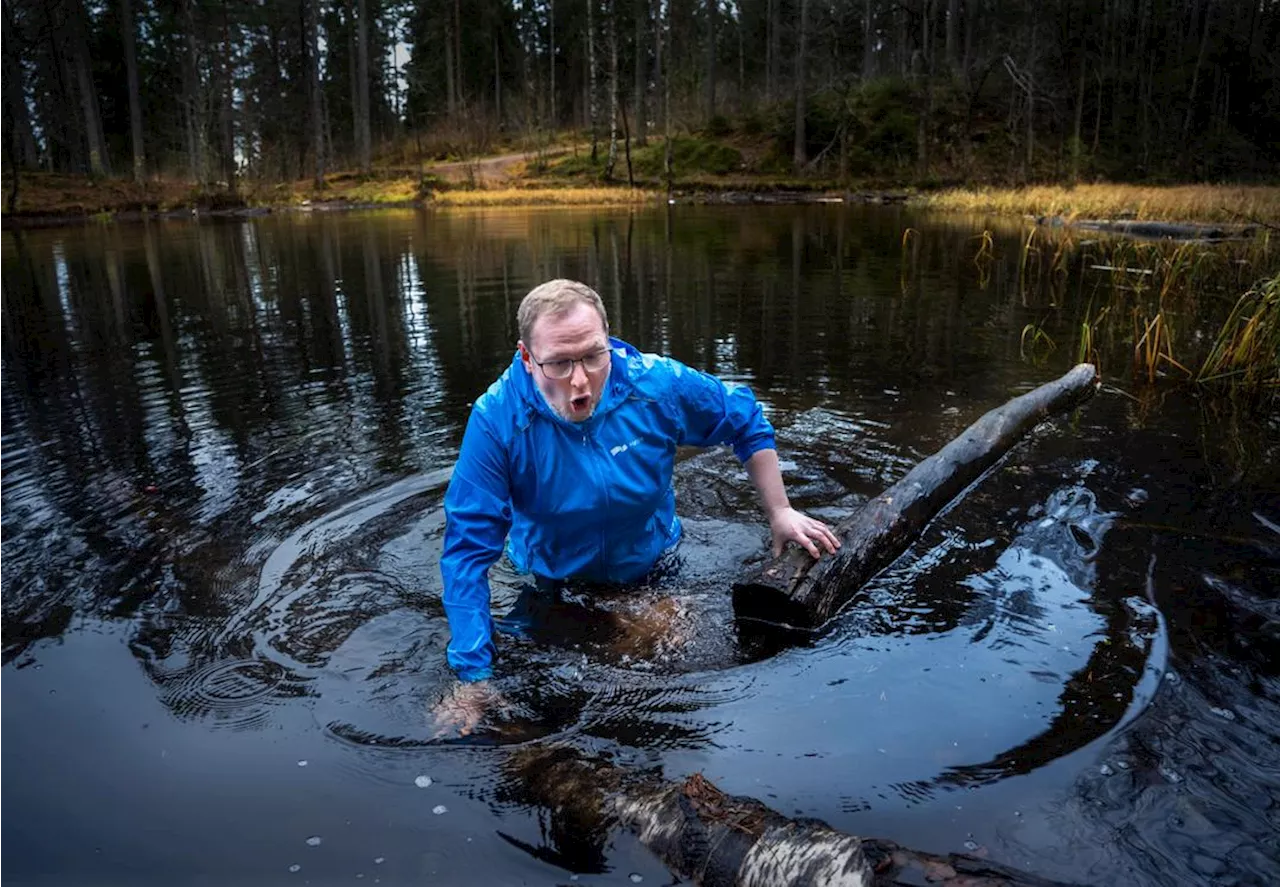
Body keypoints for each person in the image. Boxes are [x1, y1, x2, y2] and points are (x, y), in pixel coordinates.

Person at [434, 279, 839, 734]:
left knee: (659, 656)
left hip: (652, 565)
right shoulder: (497, 421)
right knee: (541, 707)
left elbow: (744, 417)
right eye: (559, 363)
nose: (580, 380)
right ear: (527, 358)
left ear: (608, 342)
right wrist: (472, 676)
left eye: (592, 355)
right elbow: (468, 553)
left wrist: (779, 512)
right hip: (549, 579)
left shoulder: (653, 385)